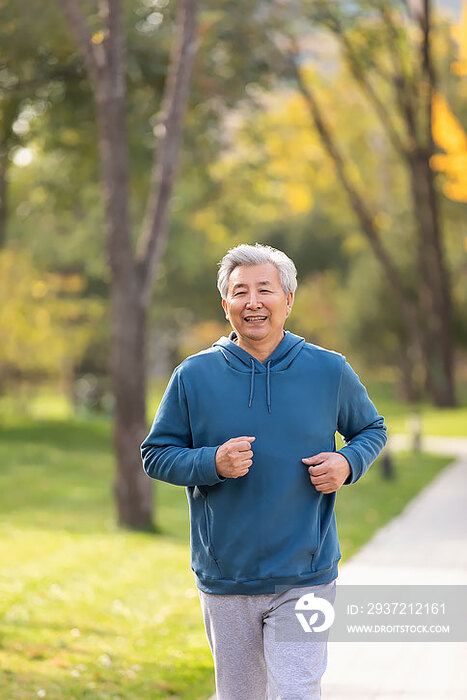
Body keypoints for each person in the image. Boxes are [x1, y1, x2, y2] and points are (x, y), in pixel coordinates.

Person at [141, 243, 387, 699]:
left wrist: (348, 461)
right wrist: (210, 462)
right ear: (226, 305)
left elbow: (371, 428)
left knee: (297, 690)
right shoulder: (193, 375)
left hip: (307, 573)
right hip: (226, 575)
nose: (253, 302)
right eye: (240, 292)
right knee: (242, 695)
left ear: (288, 300)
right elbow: (156, 454)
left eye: (265, 290)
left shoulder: (328, 370)